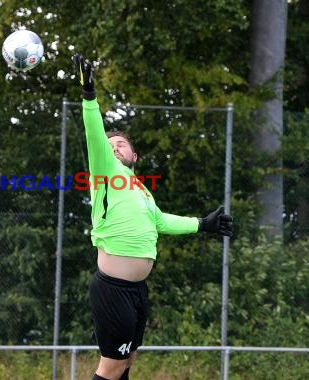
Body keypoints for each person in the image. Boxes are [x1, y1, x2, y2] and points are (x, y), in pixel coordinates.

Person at [71, 54, 233, 380]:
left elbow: (161, 221)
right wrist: (90, 96)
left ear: (135, 156)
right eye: (110, 144)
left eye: (121, 144)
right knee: (112, 365)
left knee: (127, 360)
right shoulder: (105, 173)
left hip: (136, 290)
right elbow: (93, 133)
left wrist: (202, 224)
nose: (114, 147)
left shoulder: (142, 191)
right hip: (113, 289)